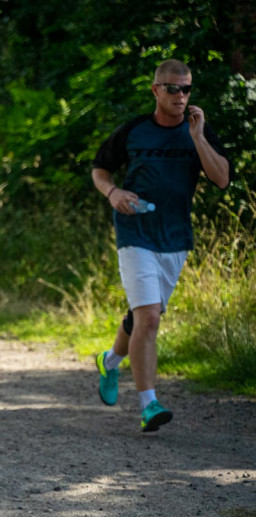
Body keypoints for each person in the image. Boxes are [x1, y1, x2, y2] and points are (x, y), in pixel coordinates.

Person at [91, 59, 231, 432]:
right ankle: (148, 405)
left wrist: (198, 138)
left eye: (186, 89)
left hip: (175, 237)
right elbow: (100, 169)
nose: (181, 96)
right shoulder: (135, 130)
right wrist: (113, 192)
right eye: (172, 88)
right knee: (149, 316)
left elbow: (222, 179)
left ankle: (110, 360)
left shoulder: (198, 131)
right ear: (155, 90)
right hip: (135, 230)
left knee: (143, 316)